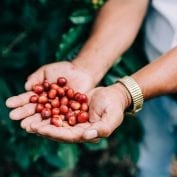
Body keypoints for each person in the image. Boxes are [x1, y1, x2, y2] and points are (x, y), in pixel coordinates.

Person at [5, 0, 177, 176]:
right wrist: (86, 68)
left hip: (146, 85)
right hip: (152, 90)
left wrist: (125, 94)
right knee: (151, 162)